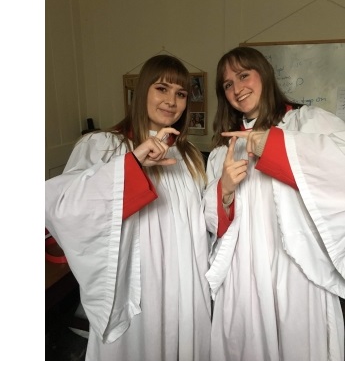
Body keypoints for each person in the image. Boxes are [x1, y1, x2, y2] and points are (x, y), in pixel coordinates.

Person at [45, 55, 212, 361]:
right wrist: (132, 166)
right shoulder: (104, 145)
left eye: (181, 94)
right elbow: (65, 207)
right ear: (142, 91)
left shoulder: (189, 157)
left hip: (185, 284)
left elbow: (200, 224)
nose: (171, 101)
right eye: (162, 88)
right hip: (138, 288)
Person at [203, 46, 345, 360]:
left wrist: (274, 146)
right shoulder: (222, 151)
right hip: (243, 271)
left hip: (297, 266)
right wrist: (223, 191)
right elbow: (211, 224)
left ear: (264, 74)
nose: (238, 89)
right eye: (228, 84)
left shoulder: (306, 122)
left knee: (301, 345)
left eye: (243, 75)